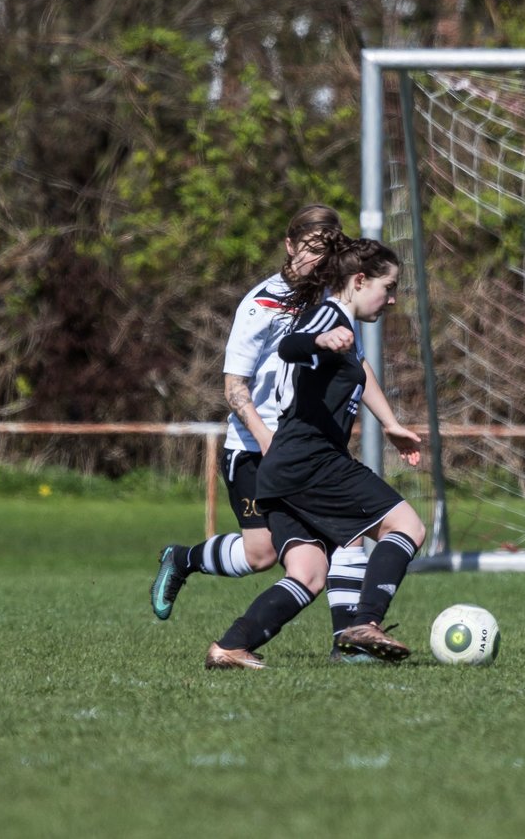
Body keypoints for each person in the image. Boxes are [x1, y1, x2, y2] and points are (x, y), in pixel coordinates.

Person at [151, 206, 421, 660]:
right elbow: (236, 385)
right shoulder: (266, 304)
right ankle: (357, 632)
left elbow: (354, 365)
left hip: (297, 447)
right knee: (270, 552)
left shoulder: (328, 303)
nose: (319, 260)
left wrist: (389, 422)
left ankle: (242, 645)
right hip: (261, 447)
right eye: (312, 249)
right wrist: (267, 439)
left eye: (329, 250)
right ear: (290, 246)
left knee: (309, 565)